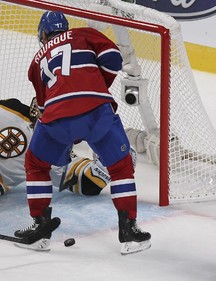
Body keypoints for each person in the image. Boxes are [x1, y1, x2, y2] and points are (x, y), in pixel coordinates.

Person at [14, 11, 151, 254]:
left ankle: (40, 228)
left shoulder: (36, 60)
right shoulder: (83, 34)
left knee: (36, 164)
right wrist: (96, 84)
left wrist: (61, 136)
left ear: (43, 34)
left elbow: (43, 107)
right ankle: (129, 231)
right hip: (96, 110)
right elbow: (113, 59)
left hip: (56, 117)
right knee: (120, 167)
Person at [0, 98, 110, 197]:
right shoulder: (52, 149)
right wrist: (109, 156)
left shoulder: (10, 108)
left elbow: (88, 182)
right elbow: (90, 182)